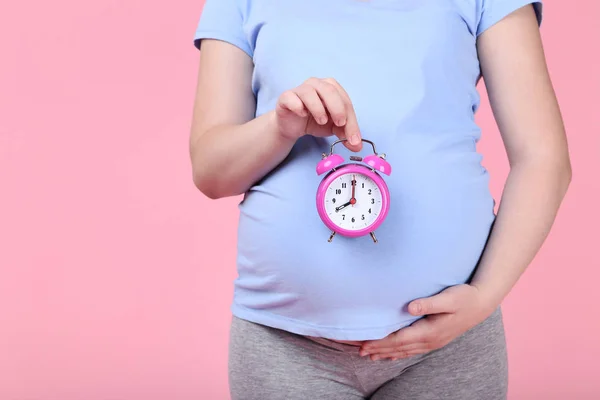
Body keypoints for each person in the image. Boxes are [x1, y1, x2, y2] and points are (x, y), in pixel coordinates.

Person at [189, 0, 571, 398]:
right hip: (283, 344)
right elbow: (211, 174)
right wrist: (278, 128)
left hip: (450, 347)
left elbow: (543, 159)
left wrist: (483, 298)